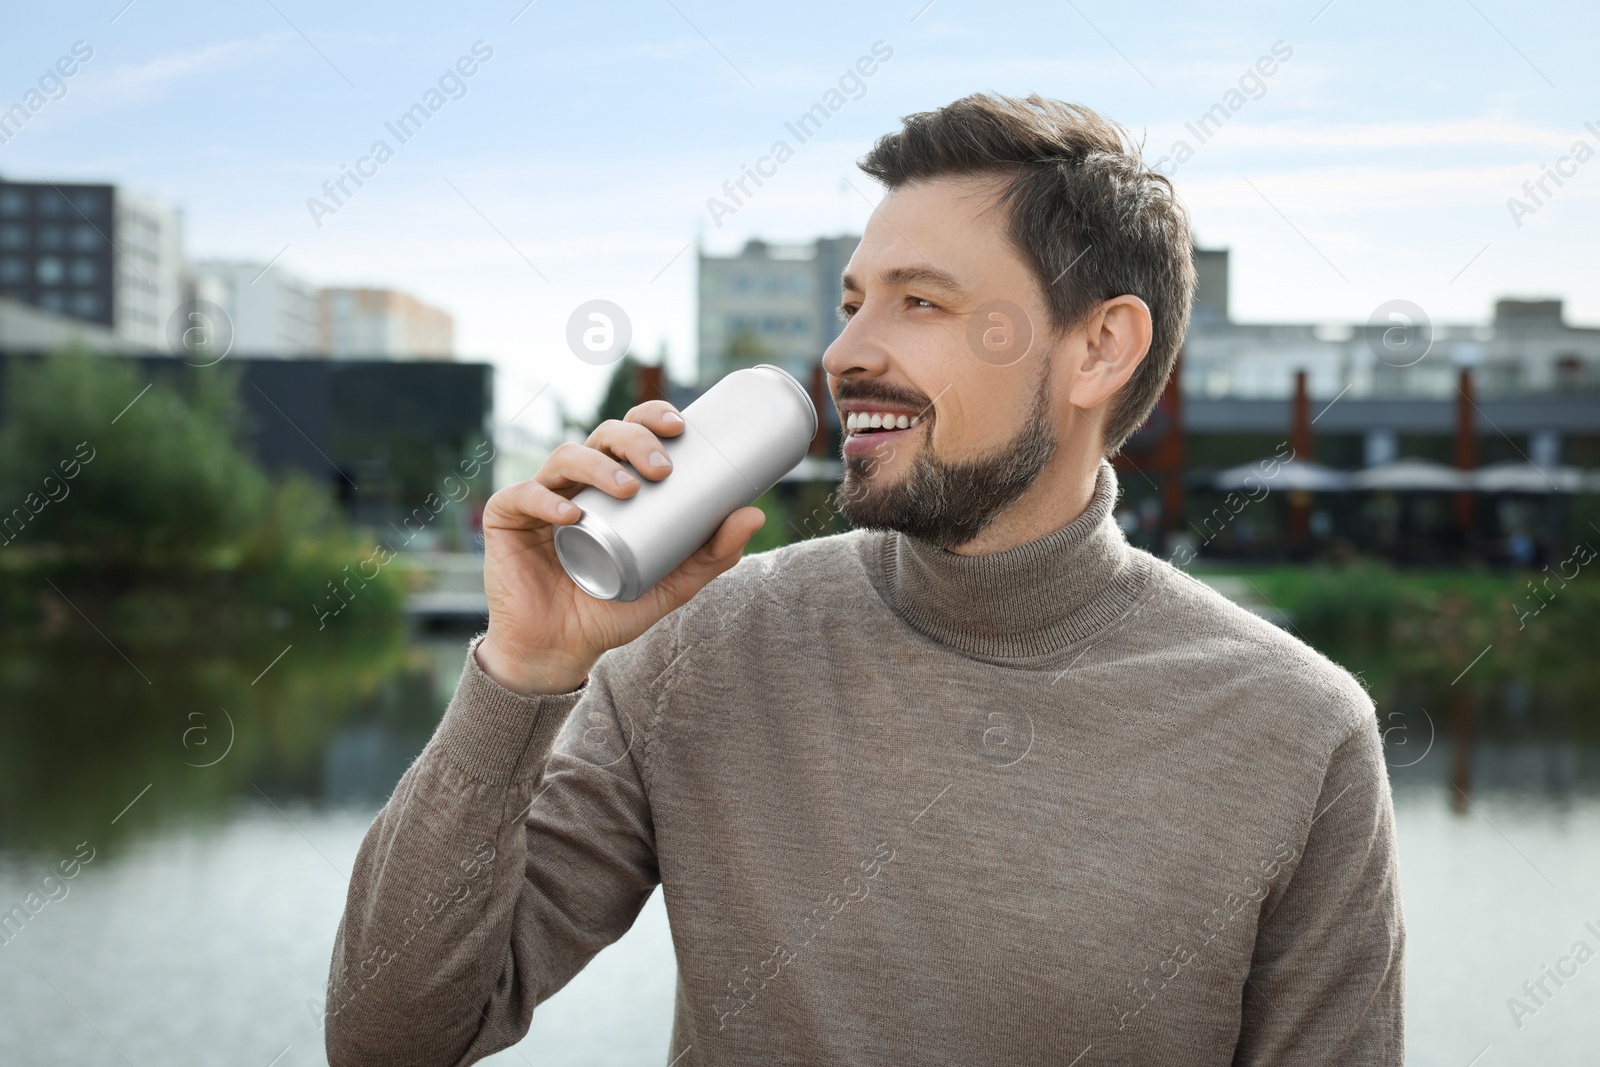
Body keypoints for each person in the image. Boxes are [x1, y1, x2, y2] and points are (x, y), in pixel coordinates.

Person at [325, 92, 1403, 1066]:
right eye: (851, 302)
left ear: (1098, 349)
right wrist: (520, 670)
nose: (844, 352)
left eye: (918, 303)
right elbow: (391, 1038)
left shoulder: (1298, 733)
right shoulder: (705, 642)